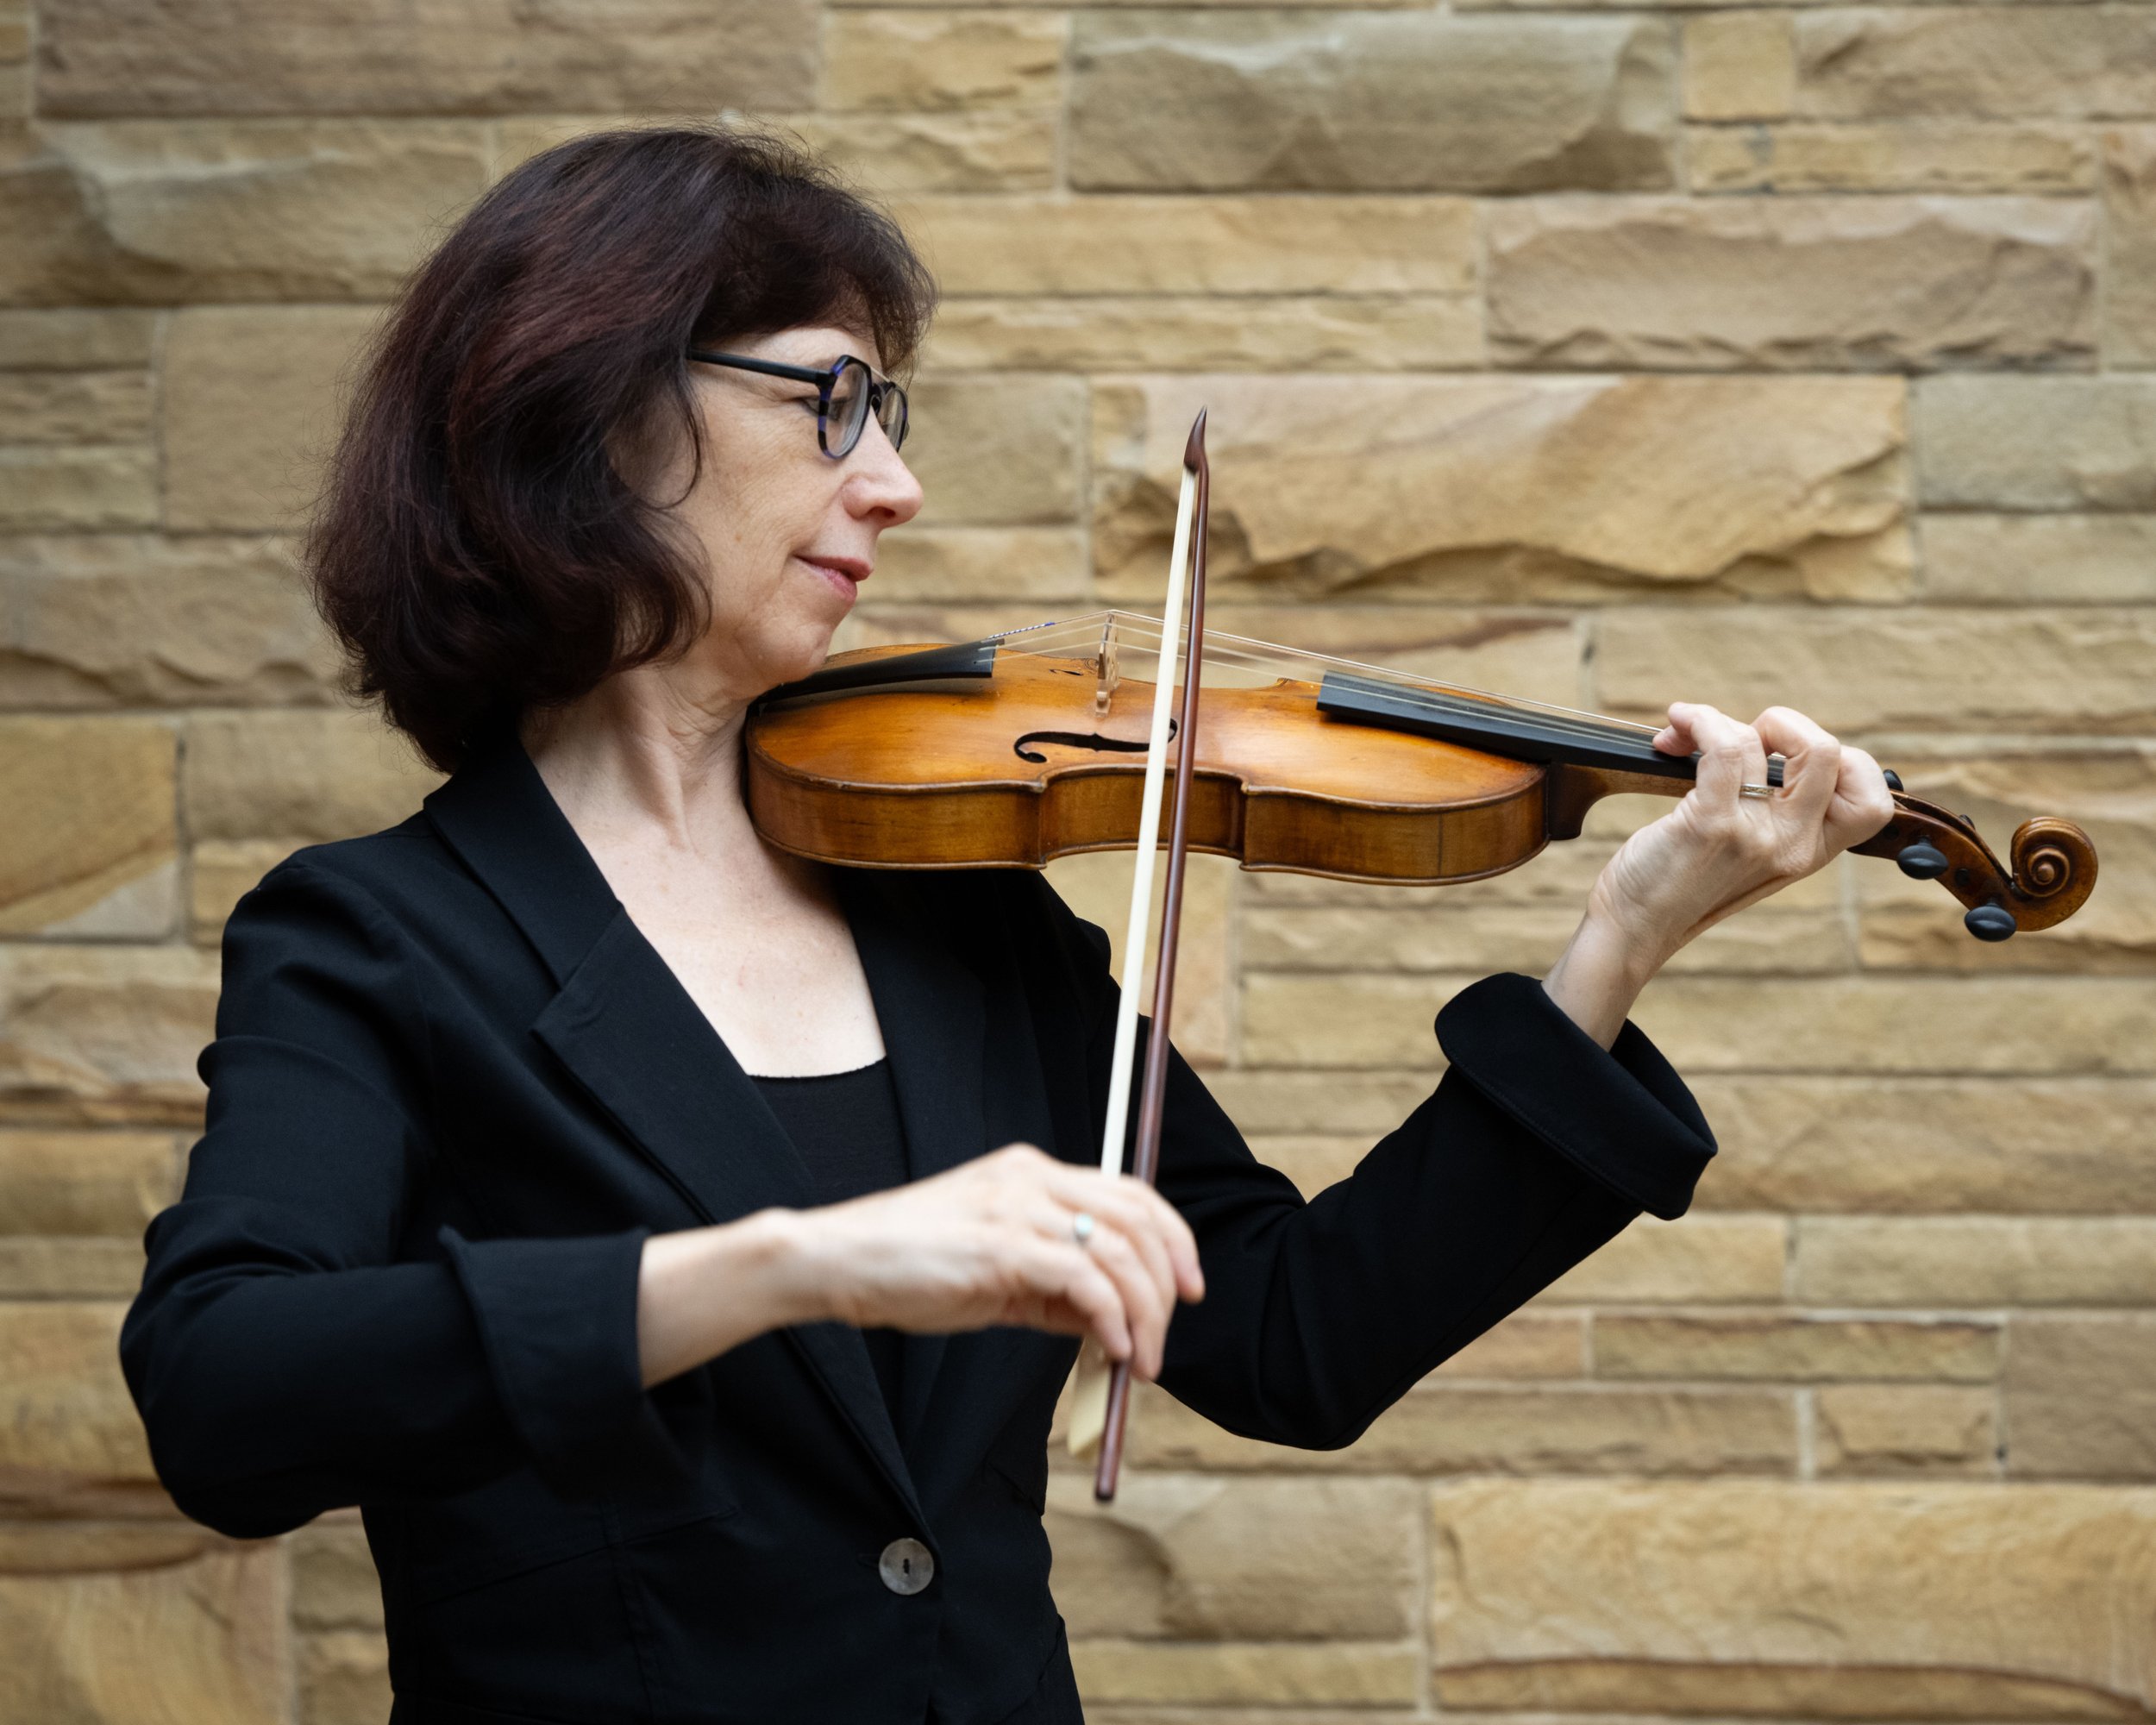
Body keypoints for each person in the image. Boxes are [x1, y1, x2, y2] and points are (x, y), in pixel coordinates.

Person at [121, 126, 1896, 1725]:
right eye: (828, 405)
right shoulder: (376, 940)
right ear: (591, 411)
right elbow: (226, 1393)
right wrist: (796, 1260)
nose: (889, 485)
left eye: (891, 418)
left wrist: (1619, 941)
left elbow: (1292, 1337)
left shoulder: (962, 911)